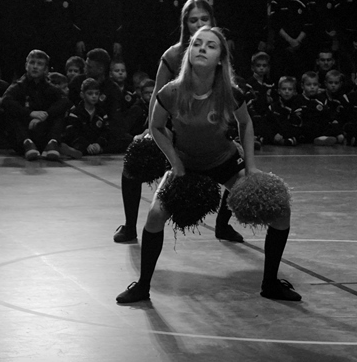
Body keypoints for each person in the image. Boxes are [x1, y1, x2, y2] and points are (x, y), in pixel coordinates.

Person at [116, 26, 300, 304]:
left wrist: (251, 167)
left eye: (211, 45)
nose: (202, 48)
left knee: (281, 212)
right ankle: (142, 286)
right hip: (185, 164)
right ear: (189, 53)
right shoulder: (170, 92)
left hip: (224, 161)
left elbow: (246, 123)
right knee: (154, 217)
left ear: (221, 59)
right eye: (197, 43)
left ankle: (270, 283)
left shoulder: (230, 93)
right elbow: (156, 127)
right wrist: (175, 163)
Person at [113, 0, 242, 244]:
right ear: (185, 24)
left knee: (237, 160)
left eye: (204, 19)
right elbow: (157, 94)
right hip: (173, 128)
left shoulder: (218, 50)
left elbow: (228, 92)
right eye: (193, 20)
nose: (199, 24)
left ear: (212, 20)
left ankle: (223, 225)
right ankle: (129, 227)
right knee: (134, 160)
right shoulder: (172, 55)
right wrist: (150, 129)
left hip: (210, 126)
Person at [1, 49, 70, 161]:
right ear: (26, 65)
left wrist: (46, 114)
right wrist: (30, 113)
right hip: (24, 130)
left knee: (59, 111)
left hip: (43, 129)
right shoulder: (19, 86)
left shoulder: (50, 87)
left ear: (46, 69)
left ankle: (52, 143)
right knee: (11, 112)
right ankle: (27, 143)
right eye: (32, 63)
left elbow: (65, 101)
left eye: (40, 64)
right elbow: (5, 100)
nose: (35, 67)